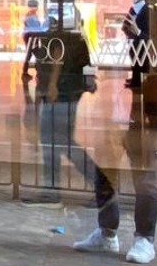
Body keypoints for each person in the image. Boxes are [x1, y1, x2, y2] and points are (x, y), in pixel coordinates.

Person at [72, 74, 157, 263]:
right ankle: (107, 232)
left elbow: (153, 70)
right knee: (104, 172)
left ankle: (145, 238)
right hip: (112, 110)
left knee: (143, 175)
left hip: (139, 113)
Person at [27, 13, 112, 206]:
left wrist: (52, 85)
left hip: (59, 95)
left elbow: (57, 57)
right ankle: (56, 190)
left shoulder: (59, 37)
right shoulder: (78, 38)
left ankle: (97, 187)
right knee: (59, 143)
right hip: (69, 94)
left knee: (56, 143)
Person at [123, 0, 151, 89]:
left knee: (139, 59)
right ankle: (135, 79)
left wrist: (138, 32)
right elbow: (127, 22)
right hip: (133, 39)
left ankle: (137, 81)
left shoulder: (147, 10)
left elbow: (147, 28)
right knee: (134, 59)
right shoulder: (134, 9)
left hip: (141, 39)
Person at [20, 0, 48, 78]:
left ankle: (36, 70)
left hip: (32, 36)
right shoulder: (30, 16)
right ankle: (26, 72)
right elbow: (35, 27)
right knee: (31, 53)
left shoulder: (33, 15)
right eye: (34, 6)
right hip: (30, 37)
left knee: (34, 53)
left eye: (35, 6)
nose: (36, 8)